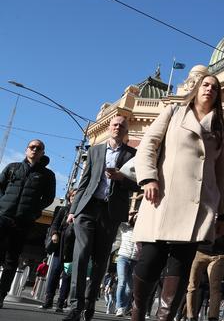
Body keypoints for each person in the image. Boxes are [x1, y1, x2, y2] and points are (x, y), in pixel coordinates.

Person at [131, 70, 224, 321]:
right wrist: (148, 178)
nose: (209, 89)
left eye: (215, 88)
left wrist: (223, 212)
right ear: (196, 88)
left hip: (197, 207)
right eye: (205, 84)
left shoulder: (221, 128)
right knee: (149, 263)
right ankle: (138, 310)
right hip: (162, 198)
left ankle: (164, 317)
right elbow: (148, 146)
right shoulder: (174, 112)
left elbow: (223, 174)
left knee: (179, 268)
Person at [63, 115, 139, 321]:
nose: (117, 128)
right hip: (87, 208)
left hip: (111, 212)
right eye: (114, 124)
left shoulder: (133, 154)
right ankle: (75, 305)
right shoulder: (95, 150)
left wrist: (121, 178)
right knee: (81, 253)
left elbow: (138, 184)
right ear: (109, 128)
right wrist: (73, 210)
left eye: (121, 126)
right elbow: (84, 181)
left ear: (126, 131)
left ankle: (88, 304)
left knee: (100, 260)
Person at [0, 139, 56, 308]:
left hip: (23, 222)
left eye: (38, 148)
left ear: (42, 153)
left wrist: (33, 211)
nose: (35, 150)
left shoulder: (47, 175)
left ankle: (1, 295)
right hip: (3, 217)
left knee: (11, 260)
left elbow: (48, 198)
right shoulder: (13, 167)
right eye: (32, 147)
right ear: (26, 150)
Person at [186, 202, 224, 321]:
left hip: (218, 254)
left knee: (215, 288)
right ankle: (190, 316)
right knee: (192, 286)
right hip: (199, 250)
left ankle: (213, 318)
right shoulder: (205, 200)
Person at [41, 189, 76, 311]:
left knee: (67, 276)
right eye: (72, 195)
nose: (74, 197)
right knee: (54, 273)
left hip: (72, 250)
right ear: (69, 197)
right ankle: (48, 300)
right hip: (59, 248)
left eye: (76, 196)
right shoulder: (63, 210)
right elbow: (55, 224)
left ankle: (60, 304)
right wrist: (55, 233)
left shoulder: (81, 212)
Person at [114, 210, 139, 317]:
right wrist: (128, 213)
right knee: (122, 282)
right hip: (123, 258)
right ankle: (119, 307)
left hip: (135, 261)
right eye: (136, 217)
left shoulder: (143, 232)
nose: (137, 219)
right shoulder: (125, 228)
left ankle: (123, 307)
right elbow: (117, 220)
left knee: (129, 288)